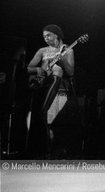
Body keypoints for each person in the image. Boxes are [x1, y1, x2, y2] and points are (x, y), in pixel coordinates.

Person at [27, 24, 75, 157]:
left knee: (44, 112)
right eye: (44, 36)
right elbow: (28, 68)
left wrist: (63, 61)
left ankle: (48, 149)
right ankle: (38, 149)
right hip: (41, 83)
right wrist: (38, 70)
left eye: (48, 35)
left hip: (56, 82)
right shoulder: (42, 51)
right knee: (37, 113)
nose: (46, 38)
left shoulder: (67, 50)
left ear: (56, 35)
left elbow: (71, 71)